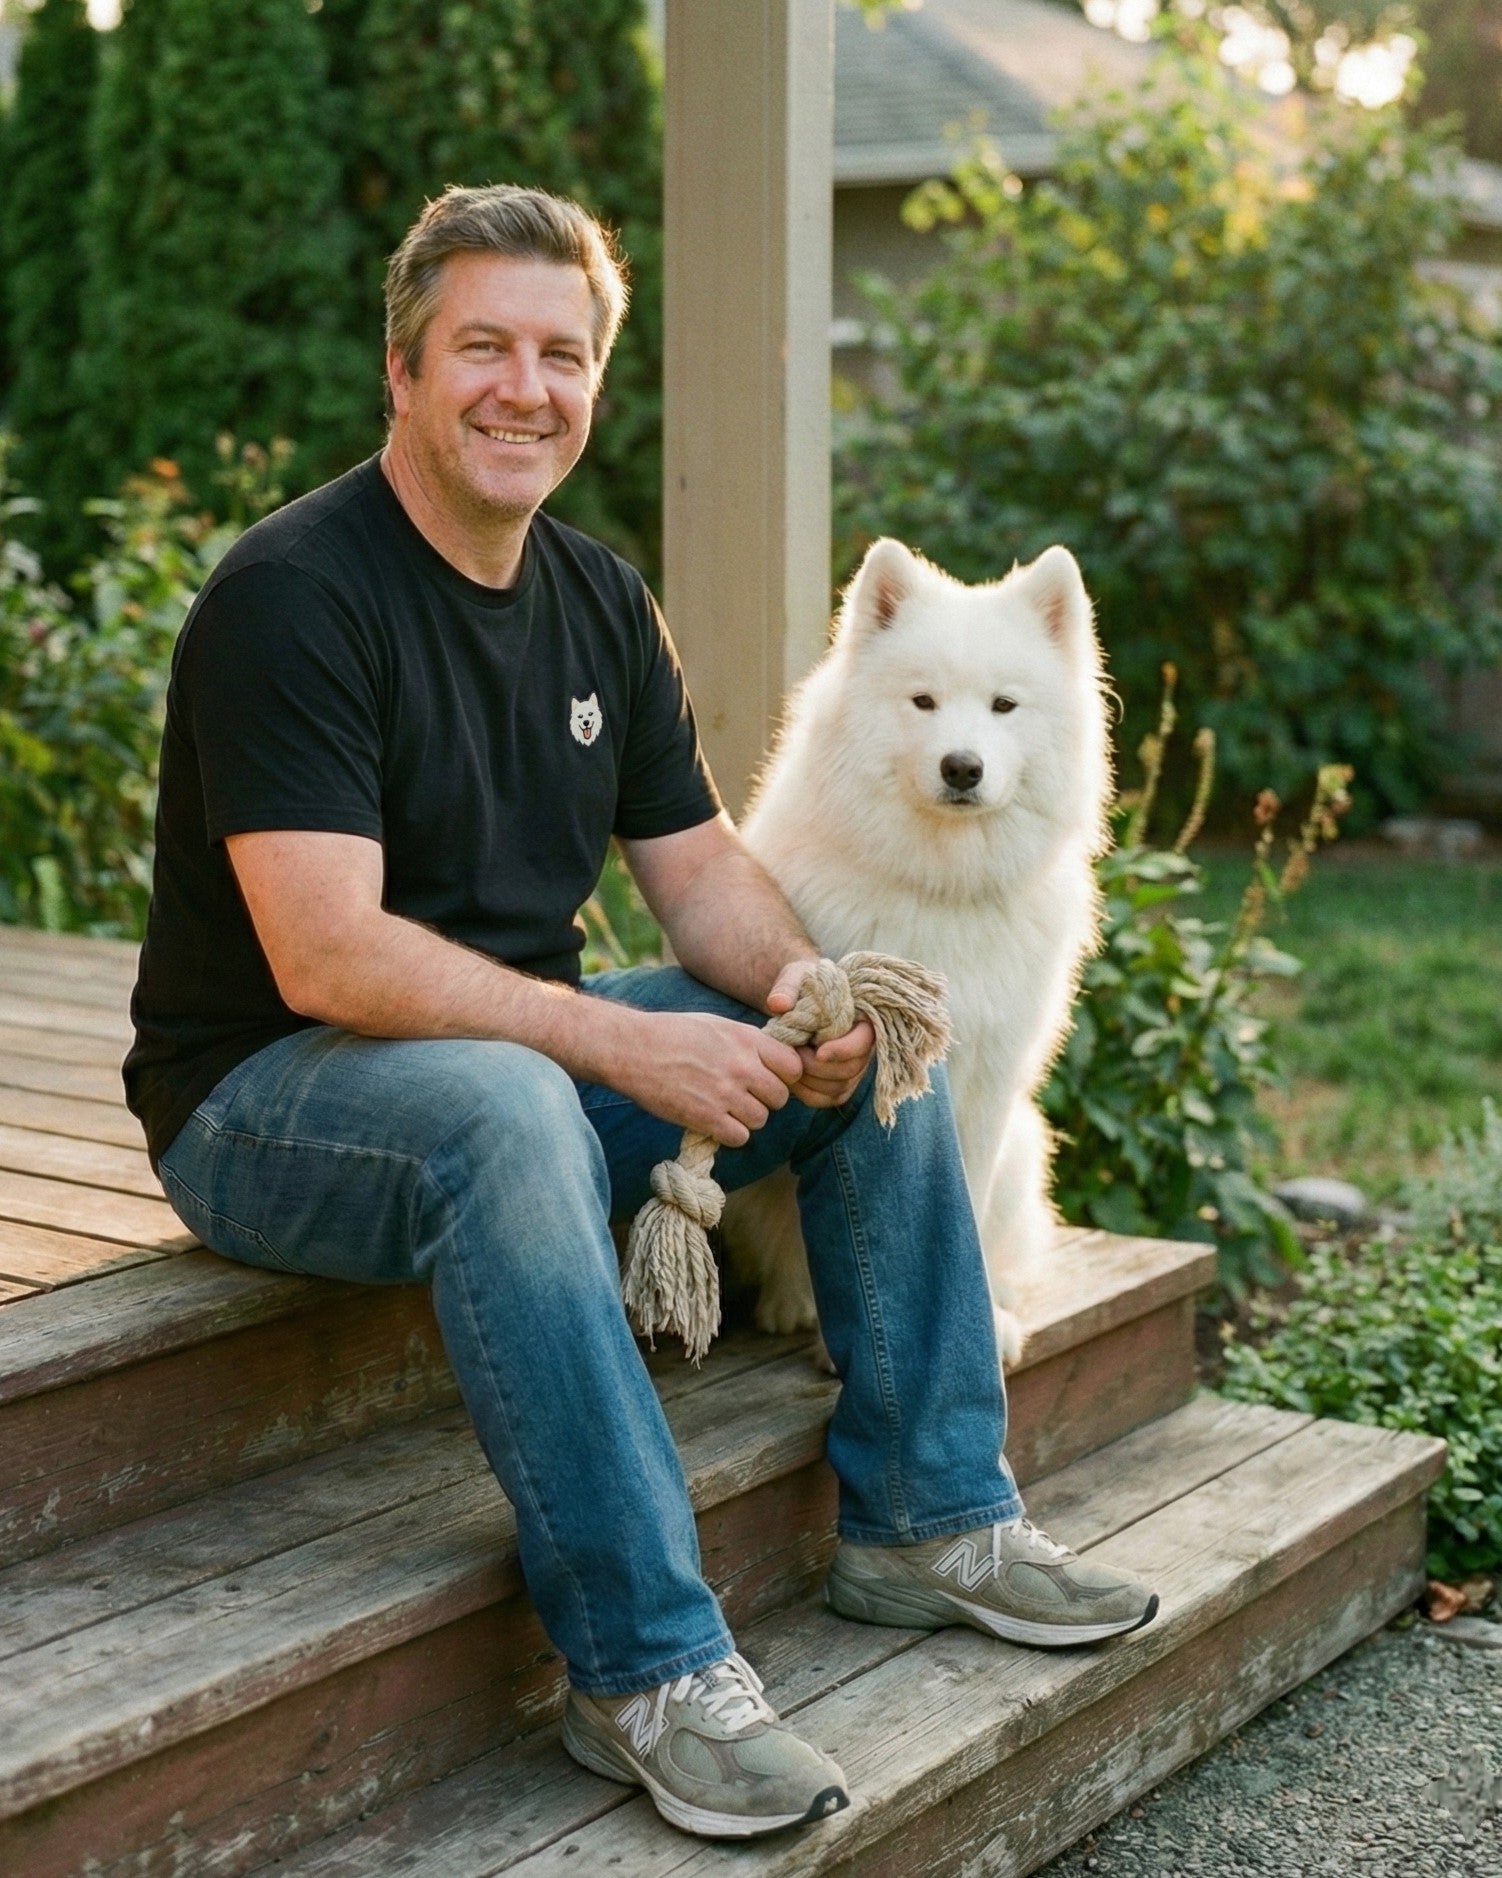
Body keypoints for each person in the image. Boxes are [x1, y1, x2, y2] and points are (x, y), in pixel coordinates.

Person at [124, 184, 1156, 1843]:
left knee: (864, 1025)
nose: (523, 386)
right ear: (402, 369)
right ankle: (648, 1669)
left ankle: (926, 1516)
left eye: (561, 351)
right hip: (270, 1102)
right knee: (508, 1101)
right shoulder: (292, 597)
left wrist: (806, 987)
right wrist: (613, 1039)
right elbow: (324, 959)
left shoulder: (600, 602)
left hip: (494, 1071)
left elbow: (698, 881)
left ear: (596, 381)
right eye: (482, 347)